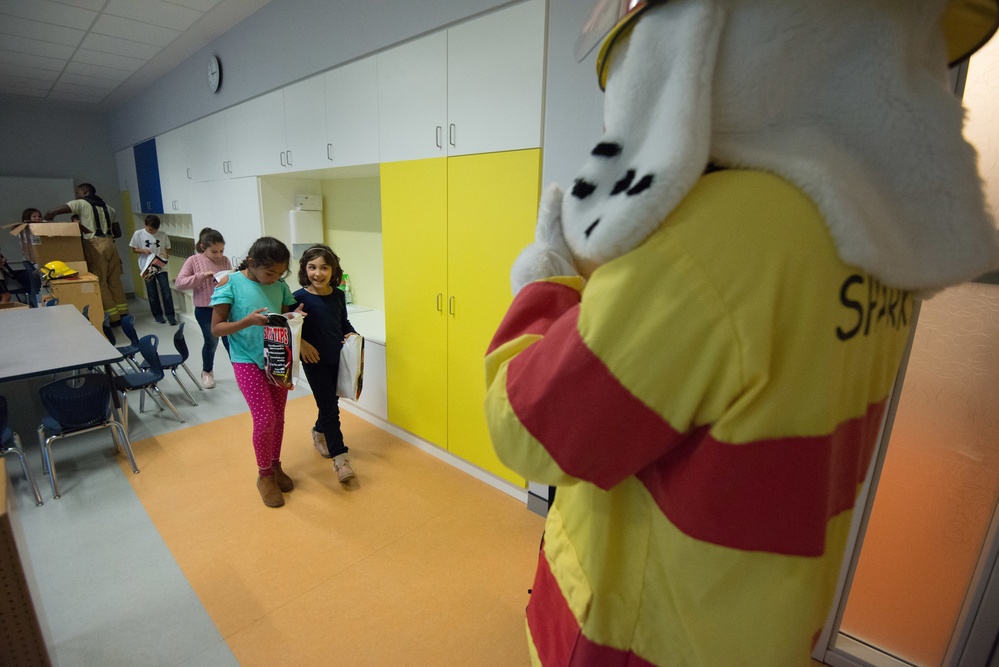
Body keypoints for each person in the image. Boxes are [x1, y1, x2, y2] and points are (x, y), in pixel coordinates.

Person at [484, 1, 999, 665]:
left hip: (640, 635)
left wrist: (545, 284)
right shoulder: (882, 239)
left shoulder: (711, 239)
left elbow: (529, 429)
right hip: (768, 623)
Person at [210, 237, 303, 508]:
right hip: (246, 360)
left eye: (280, 273)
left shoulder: (280, 285)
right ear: (252, 263)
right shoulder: (230, 284)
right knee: (264, 419)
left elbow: (286, 315)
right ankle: (264, 476)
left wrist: (295, 316)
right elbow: (216, 328)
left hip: (276, 357)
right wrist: (247, 321)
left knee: (279, 418)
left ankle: (275, 466)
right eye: (269, 272)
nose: (274, 278)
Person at [293, 244, 358, 483]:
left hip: (336, 357)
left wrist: (352, 335)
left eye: (324, 267)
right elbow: (291, 330)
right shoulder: (297, 298)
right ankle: (341, 459)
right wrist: (302, 344)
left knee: (331, 400)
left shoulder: (338, 295)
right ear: (305, 269)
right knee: (330, 407)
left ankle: (319, 431)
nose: (317, 273)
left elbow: (344, 325)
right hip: (314, 361)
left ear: (333, 270)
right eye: (312, 267)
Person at [44, 183, 129, 325]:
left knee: (100, 282)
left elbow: (51, 212)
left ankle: (114, 318)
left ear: (85, 191)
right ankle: (124, 315)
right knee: (115, 281)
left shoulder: (81, 204)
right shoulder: (109, 208)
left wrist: (47, 221)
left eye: (77, 193)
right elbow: (118, 233)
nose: (76, 196)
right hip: (112, 245)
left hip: (95, 244)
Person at [175, 227, 233, 389]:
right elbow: (180, 283)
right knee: (211, 342)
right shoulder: (193, 260)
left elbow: (230, 281)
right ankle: (207, 372)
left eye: (221, 250)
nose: (219, 255)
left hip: (225, 307)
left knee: (231, 342)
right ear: (203, 247)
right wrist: (202, 277)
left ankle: (241, 372)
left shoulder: (225, 260)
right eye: (214, 251)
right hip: (205, 309)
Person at [129, 214, 176, 325]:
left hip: (161, 266)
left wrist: (166, 254)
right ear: (145, 225)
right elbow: (134, 249)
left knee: (166, 291)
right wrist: (143, 251)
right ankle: (158, 315)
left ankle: (170, 316)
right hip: (147, 267)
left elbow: (168, 248)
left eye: (156, 229)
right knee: (152, 293)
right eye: (151, 229)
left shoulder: (163, 235)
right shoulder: (138, 234)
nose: (153, 231)